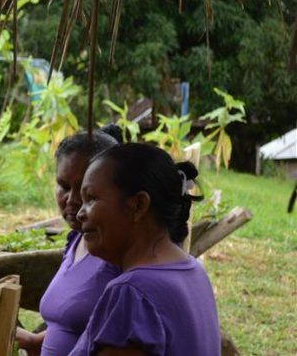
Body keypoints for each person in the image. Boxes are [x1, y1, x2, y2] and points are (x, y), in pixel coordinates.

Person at [68, 143, 220, 355]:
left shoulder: (132, 293)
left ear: (138, 205)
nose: (80, 214)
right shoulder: (194, 271)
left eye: (91, 198)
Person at [16, 127, 122, 356]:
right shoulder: (77, 239)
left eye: (86, 190)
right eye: (64, 186)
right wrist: (36, 342)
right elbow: (78, 322)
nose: (72, 200)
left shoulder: (121, 255)